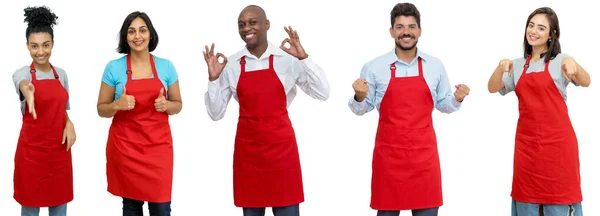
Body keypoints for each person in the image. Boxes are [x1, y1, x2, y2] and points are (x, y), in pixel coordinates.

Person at [203, 4, 330, 216]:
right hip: (248, 156)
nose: (246, 29)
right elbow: (216, 114)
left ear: (266, 24)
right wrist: (213, 79)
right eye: (241, 24)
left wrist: (304, 58)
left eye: (253, 22)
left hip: (282, 154)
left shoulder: (287, 59)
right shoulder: (233, 63)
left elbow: (323, 93)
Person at [348, 3, 470, 216]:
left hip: (424, 159)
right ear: (391, 31)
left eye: (412, 27)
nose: (406, 32)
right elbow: (362, 109)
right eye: (400, 27)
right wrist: (359, 96)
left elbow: (443, 104)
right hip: (389, 159)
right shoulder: (374, 66)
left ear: (419, 31)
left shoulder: (435, 65)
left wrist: (457, 99)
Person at [487, 7, 590, 216]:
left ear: (552, 35)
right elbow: (492, 88)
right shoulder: (516, 65)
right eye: (531, 25)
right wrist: (499, 68)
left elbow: (586, 82)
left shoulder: (561, 61)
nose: (533, 31)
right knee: (527, 200)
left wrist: (574, 64)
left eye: (541, 28)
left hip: (558, 149)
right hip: (527, 149)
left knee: (559, 199)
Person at [96, 11, 182, 216]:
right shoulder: (113, 68)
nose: (137, 36)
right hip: (126, 148)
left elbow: (178, 104)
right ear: (125, 37)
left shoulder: (166, 66)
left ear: (150, 34)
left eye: (142, 30)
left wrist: (166, 105)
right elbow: (101, 109)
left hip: (158, 148)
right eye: (131, 31)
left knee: (161, 208)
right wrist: (117, 105)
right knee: (132, 207)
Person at [12, 6, 76, 216]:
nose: (40, 51)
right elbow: (22, 83)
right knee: (30, 209)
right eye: (34, 46)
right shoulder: (23, 74)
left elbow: (63, 110)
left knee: (59, 207)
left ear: (53, 44)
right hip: (32, 156)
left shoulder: (62, 75)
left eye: (45, 45)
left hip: (59, 154)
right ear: (27, 46)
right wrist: (28, 91)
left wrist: (69, 123)